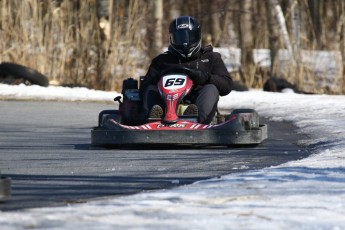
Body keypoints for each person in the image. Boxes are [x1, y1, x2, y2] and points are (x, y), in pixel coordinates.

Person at [139, 16, 233, 124]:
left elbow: (227, 85)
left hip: (197, 101)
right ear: (171, 38)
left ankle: (194, 118)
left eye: (189, 37)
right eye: (180, 38)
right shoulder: (162, 61)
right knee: (150, 88)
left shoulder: (211, 58)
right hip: (164, 104)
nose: (185, 43)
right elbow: (143, 89)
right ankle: (154, 118)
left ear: (197, 36)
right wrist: (159, 80)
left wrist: (205, 78)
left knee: (211, 88)